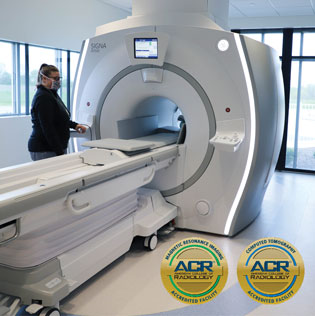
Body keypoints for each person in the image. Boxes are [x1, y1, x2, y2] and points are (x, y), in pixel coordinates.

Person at [28, 64, 86, 161]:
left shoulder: (52, 94)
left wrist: (75, 125)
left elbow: (59, 119)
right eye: (55, 78)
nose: (58, 82)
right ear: (44, 79)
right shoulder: (43, 97)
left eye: (59, 78)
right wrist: (60, 153)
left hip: (53, 148)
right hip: (44, 149)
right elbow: (48, 127)